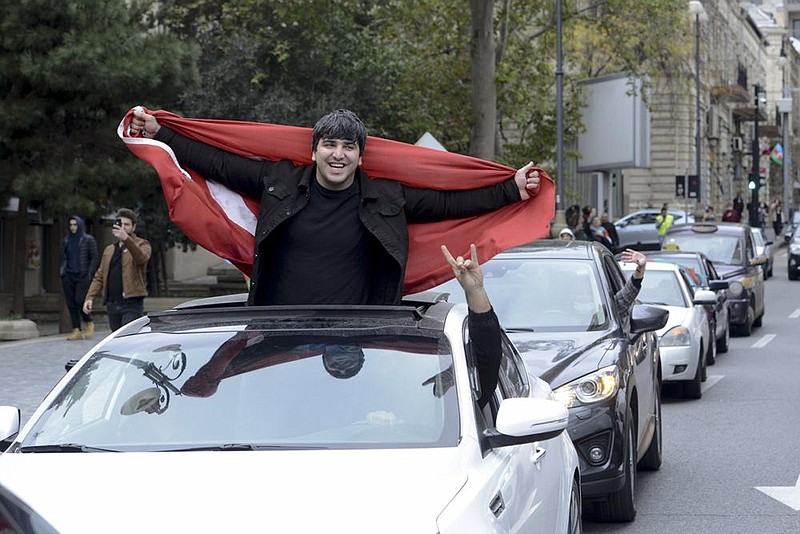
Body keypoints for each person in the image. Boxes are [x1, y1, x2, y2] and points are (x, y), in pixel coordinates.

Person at [129, 108, 541, 306]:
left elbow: (450, 202)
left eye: (348, 147)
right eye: (330, 144)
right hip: (276, 330)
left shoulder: (387, 196)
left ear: (361, 156)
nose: (338, 154)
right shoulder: (278, 182)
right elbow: (217, 163)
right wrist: (162, 131)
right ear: (314, 151)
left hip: (357, 336)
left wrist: (511, 190)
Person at [83, 209, 152, 331]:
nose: (123, 227)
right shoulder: (109, 249)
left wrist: (127, 239)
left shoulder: (142, 244)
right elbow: (99, 276)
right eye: (121, 224)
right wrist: (90, 297)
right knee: (116, 340)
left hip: (131, 303)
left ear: (133, 227)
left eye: (127, 225)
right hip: (112, 303)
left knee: (128, 338)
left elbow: (141, 258)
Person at [60, 215, 98, 340]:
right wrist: (63, 272)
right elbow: (63, 257)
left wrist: (89, 272)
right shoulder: (66, 240)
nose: (72, 227)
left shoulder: (88, 239)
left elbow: (94, 256)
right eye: (70, 225)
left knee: (80, 300)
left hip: (82, 276)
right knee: (71, 303)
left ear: (80, 225)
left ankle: (88, 322)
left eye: (75, 224)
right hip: (68, 275)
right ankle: (76, 329)